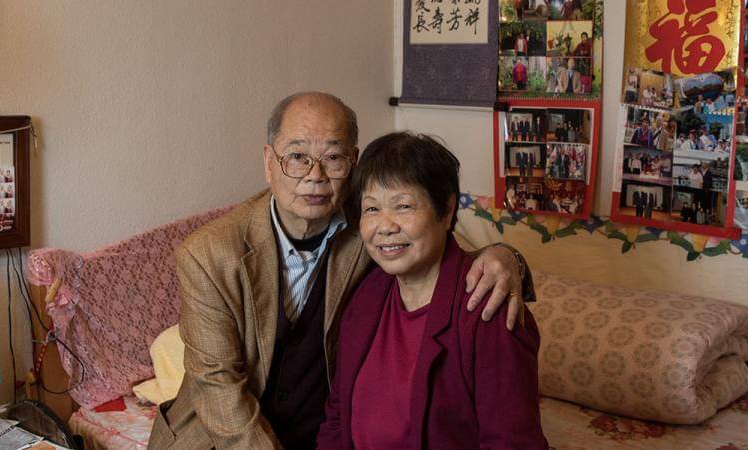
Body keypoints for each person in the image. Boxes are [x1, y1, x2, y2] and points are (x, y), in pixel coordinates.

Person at [149, 92, 531, 449]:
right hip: (223, 435)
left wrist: (505, 256)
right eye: (296, 156)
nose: (314, 175)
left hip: (319, 433)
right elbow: (217, 386)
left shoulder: (368, 221)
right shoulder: (209, 254)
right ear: (268, 162)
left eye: (333, 157)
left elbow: (434, 248)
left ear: (352, 162)